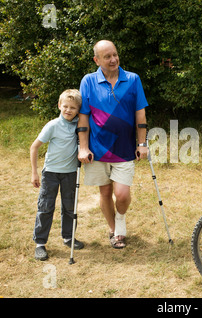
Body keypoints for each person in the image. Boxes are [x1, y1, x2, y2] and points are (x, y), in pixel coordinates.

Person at [77, 40, 148, 249]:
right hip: (98, 149)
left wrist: (142, 143)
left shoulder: (133, 79)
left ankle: (120, 219)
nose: (113, 59)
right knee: (105, 193)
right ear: (96, 60)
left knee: (122, 194)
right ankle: (113, 230)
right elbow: (83, 116)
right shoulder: (88, 81)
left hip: (124, 148)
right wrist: (83, 147)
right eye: (107, 56)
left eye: (115, 54)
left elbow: (140, 112)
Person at [30, 89, 85, 261]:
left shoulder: (80, 125)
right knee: (46, 207)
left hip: (70, 173)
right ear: (59, 106)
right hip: (51, 173)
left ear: (78, 110)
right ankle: (40, 243)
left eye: (73, 108)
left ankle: (68, 237)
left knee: (69, 207)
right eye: (66, 106)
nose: (68, 110)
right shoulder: (52, 125)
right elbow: (34, 147)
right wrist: (34, 173)